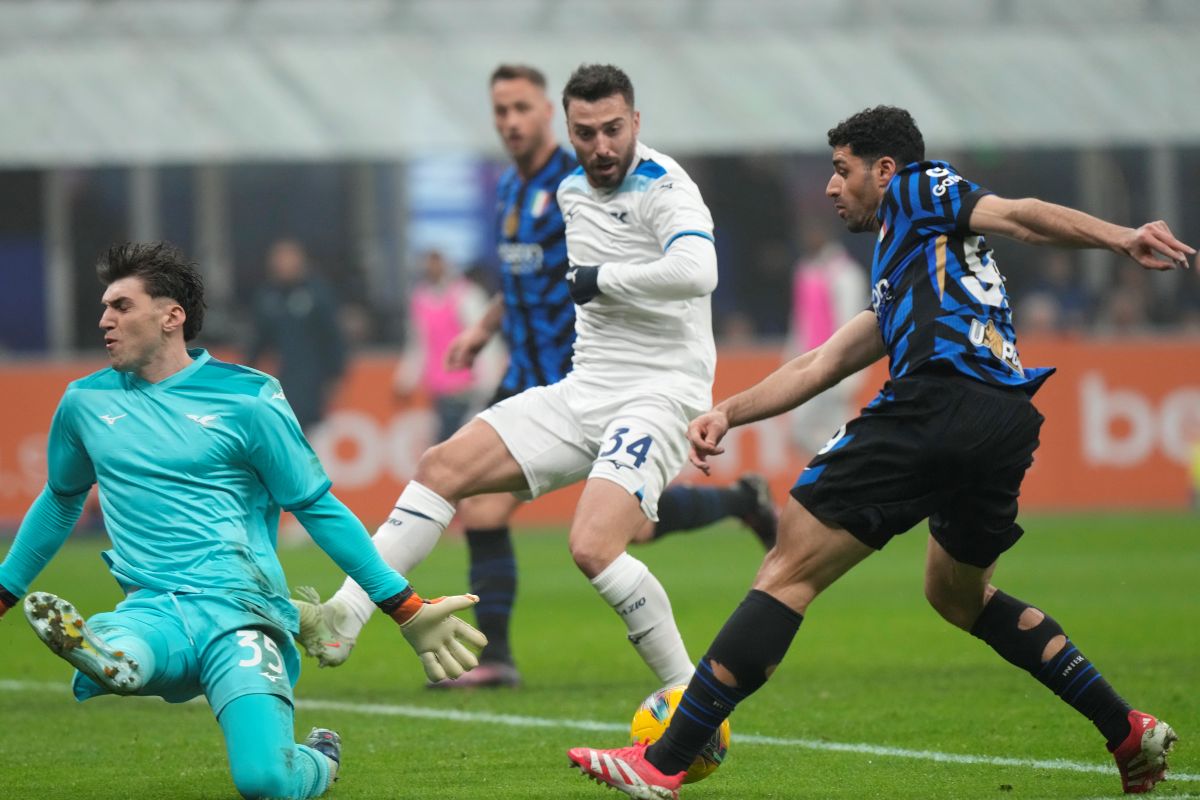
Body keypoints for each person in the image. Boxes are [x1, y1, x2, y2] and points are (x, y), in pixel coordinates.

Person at [567, 106, 1192, 798]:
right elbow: (824, 363)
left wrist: (1121, 237)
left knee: (788, 568)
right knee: (958, 595)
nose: (832, 188)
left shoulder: (921, 191)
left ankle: (664, 761)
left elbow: (1021, 214)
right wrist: (727, 412)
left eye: (841, 171)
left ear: (884, 171)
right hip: (1004, 421)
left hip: (939, 401)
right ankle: (1126, 731)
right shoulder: (911, 263)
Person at [295, 64, 777, 689]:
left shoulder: (666, 188)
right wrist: (487, 328)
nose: (601, 146)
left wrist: (604, 279)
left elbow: (698, 271)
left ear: (635, 122)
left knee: (596, 545)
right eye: (587, 133)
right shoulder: (570, 191)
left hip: (659, 394)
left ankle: (689, 704)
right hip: (582, 387)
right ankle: (345, 616)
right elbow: (535, 282)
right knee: (441, 468)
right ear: (569, 130)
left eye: (612, 130)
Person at [0, 242, 485, 800]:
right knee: (127, 650)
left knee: (267, 782)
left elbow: (316, 508)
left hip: (242, 614)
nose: (104, 320)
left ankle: (319, 758)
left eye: (122, 306)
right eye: (104, 307)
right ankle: (112, 654)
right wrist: (5, 591)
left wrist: (401, 604)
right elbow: (61, 499)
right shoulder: (85, 402)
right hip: (155, 607)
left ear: (170, 316)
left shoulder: (250, 398)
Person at [394, 249, 496, 445]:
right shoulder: (420, 299)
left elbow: (485, 340)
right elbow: (418, 344)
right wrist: (405, 380)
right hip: (440, 388)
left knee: (455, 444)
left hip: (466, 386)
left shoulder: (466, 296)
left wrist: (487, 383)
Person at [246, 239, 347, 434]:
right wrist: (246, 370)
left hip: (312, 377)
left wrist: (336, 373)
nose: (283, 264)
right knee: (283, 427)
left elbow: (332, 336)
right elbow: (259, 339)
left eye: (288, 258)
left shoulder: (317, 293)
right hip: (284, 375)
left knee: (304, 428)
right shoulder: (269, 296)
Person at [785, 219, 868, 454]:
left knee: (840, 431)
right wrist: (790, 358)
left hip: (836, 367)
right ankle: (831, 470)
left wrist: (851, 373)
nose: (809, 237)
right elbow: (799, 318)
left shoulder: (846, 273)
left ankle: (843, 476)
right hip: (808, 364)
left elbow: (852, 321)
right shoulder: (804, 270)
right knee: (800, 430)